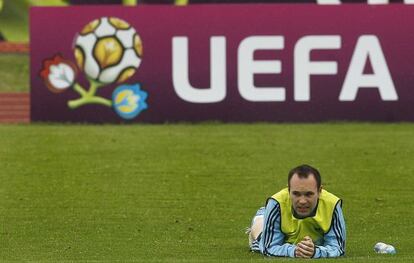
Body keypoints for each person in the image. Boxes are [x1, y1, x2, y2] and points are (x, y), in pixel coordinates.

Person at [247, 164, 346, 258]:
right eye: (296, 194)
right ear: (288, 190)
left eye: (308, 194)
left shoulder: (332, 205)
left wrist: (315, 252)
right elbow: (268, 247)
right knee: (259, 241)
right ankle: (259, 221)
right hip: (269, 214)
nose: (302, 201)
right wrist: (295, 251)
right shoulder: (276, 203)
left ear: (320, 191)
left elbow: (338, 248)